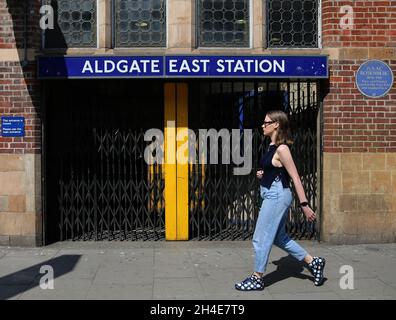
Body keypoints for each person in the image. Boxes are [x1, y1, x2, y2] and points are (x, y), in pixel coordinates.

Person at [235, 110, 326, 291]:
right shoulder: (271, 147)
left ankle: (257, 278)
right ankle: (313, 262)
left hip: (277, 195)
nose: (263, 125)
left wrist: (305, 205)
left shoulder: (282, 148)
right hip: (271, 194)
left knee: (260, 238)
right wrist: (263, 174)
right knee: (279, 237)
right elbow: (275, 170)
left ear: (276, 124)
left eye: (266, 122)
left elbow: (295, 177)